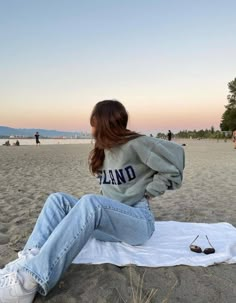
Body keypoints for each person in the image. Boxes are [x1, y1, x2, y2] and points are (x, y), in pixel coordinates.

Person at [0, 100, 185, 302]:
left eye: (93, 123)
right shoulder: (102, 150)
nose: (92, 129)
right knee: (57, 200)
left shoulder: (137, 144)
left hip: (137, 221)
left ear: (104, 123)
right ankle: (27, 261)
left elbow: (175, 160)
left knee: (90, 202)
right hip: (108, 225)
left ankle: (29, 281)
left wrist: (149, 191)